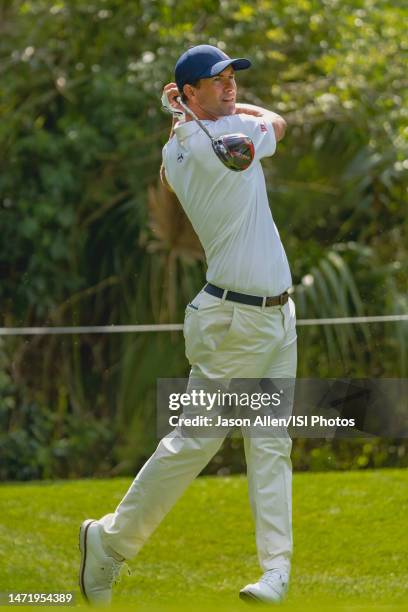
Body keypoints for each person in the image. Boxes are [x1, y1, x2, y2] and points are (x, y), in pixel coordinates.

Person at [79, 44, 297, 606]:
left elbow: (171, 163)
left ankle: (275, 571)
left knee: (270, 443)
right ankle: (108, 542)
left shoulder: (183, 147)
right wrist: (226, 113)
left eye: (232, 78)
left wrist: (186, 114)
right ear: (191, 92)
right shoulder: (227, 145)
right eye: (216, 81)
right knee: (196, 440)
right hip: (234, 320)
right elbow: (278, 122)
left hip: (275, 316)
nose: (230, 87)